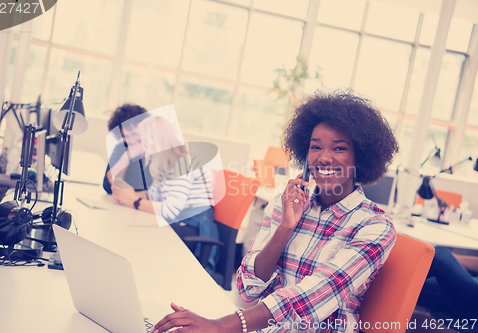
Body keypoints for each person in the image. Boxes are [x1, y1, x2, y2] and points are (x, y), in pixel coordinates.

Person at [150, 90, 399, 333]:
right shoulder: (287, 204)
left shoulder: (375, 227)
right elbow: (247, 288)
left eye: (339, 148)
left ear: (361, 156)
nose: (323, 158)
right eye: (315, 147)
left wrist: (221, 326)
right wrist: (285, 228)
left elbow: (311, 298)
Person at [111, 115, 220, 272]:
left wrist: (134, 201)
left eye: (143, 141)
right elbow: (156, 196)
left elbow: (170, 209)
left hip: (194, 231)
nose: (140, 146)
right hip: (179, 223)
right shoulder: (166, 163)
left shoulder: (185, 163)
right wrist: (129, 195)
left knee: (137, 231)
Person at [417, 246, 478, 329]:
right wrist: (455, 259)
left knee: (438, 256)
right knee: (417, 290)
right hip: (472, 282)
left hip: (473, 304)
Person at [103, 103, 152, 194]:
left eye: (135, 134)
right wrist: (126, 157)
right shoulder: (121, 148)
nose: (132, 141)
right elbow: (108, 186)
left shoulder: (156, 149)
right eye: (126, 136)